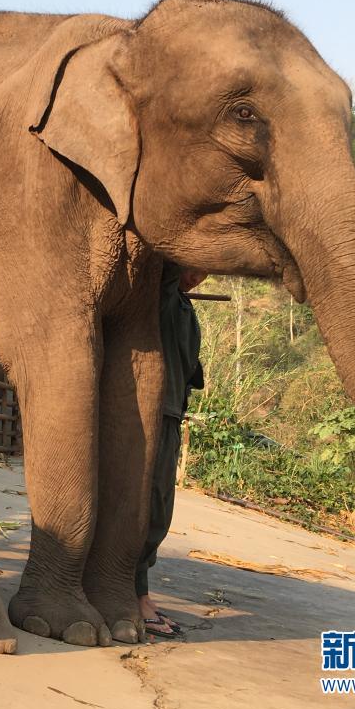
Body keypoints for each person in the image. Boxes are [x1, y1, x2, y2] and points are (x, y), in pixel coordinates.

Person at [137, 262, 206, 639]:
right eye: (193, 268)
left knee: (160, 509)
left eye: (205, 273)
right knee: (146, 506)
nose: (197, 278)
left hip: (172, 415)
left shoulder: (185, 308)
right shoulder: (162, 297)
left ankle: (141, 593)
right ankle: (136, 595)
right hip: (154, 411)